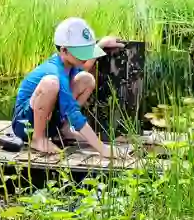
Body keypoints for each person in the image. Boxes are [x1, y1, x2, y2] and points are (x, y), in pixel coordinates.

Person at [12, 17, 129, 158]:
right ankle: (38, 139)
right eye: (81, 52)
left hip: (49, 120)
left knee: (86, 79)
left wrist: (102, 44)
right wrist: (102, 148)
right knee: (51, 83)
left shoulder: (69, 63)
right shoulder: (54, 71)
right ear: (64, 51)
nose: (85, 57)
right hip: (26, 125)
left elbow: (84, 66)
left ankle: (64, 129)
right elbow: (73, 112)